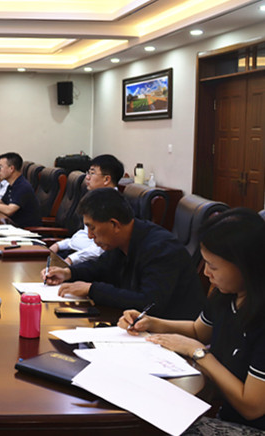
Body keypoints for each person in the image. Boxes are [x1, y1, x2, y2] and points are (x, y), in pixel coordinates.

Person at [119, 208, 265, 432]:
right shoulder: (227, 294)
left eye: (213, 266)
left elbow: (252, 407)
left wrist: (199, 353)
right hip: (225, 414)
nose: (206, 272)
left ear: (246, 265)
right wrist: (152, 323)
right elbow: (198, 331)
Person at [43, 188, 205, 319]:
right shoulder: (122, 240)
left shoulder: (161, 249)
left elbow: (149, 304)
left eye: (92, 228)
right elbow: (101, 266)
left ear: (114, 224)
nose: (90, 236)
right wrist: (68, 273)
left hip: (169, 334)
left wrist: (92, 289)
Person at [49, 154, 124, 265]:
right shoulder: (95, 199)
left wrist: (70, 260)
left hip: (88, 263)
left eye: (92, 173)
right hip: (73, 254)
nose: (87, 177)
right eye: (88, 173)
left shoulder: (112, 206)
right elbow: (83, 235)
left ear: (106, 179)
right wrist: (58, 245)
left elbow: (100, 249)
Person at [0, 152, 41, 227]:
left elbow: (9, 210)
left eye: (0, 167)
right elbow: (3, 201)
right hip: (11, 223)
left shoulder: (22, 186)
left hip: (24, 229)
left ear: (11, 168)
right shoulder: (12, 185)